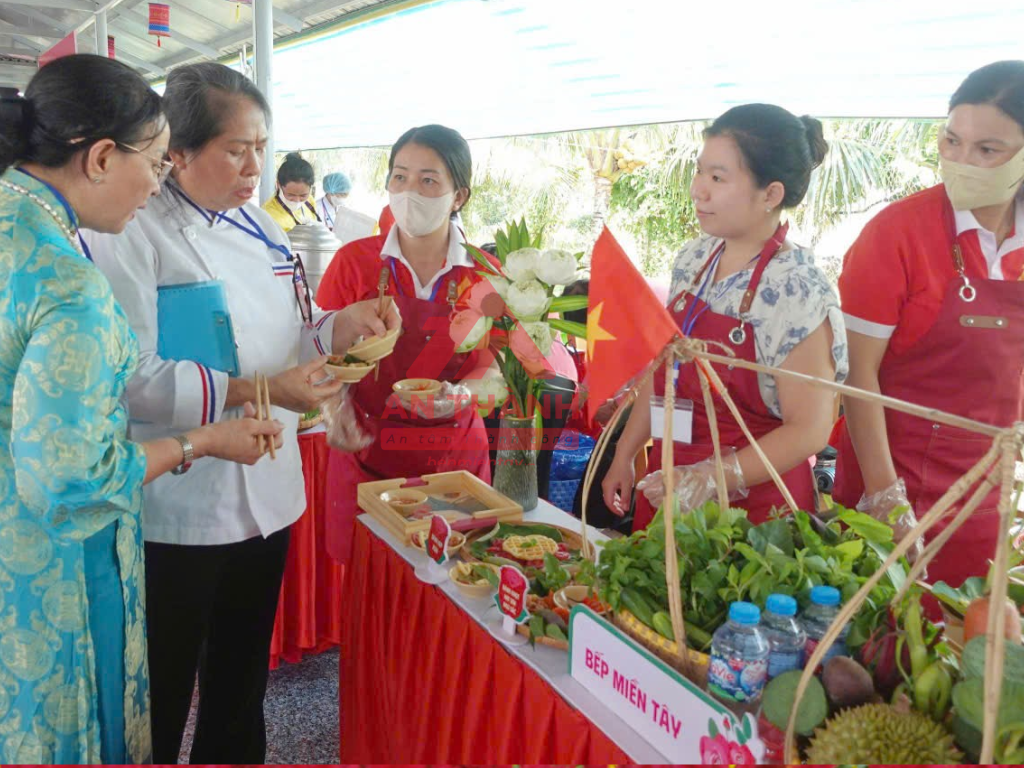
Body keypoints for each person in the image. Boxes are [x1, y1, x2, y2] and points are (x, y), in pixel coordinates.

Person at [84, 62, 399, 763]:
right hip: (178, 503)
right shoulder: (134, 232)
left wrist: (340, 326)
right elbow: (130, 376)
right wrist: (262, 391)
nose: (254, 164)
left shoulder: (262, 227)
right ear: (179, 152)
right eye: (235, 149)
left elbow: (298, 328)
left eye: (260, 146)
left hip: (269, 489)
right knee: (160, 689)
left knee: (240, 682)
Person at [0, 54, 283, 765]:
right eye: (156, 164)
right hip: (46, 563)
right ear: (100, 157)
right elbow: (74, 480)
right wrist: (203, 442)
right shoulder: (72, 280)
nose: (155, 185)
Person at [603, 104, 848, 529]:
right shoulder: (694, 259)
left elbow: (810, 429)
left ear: (770, 194)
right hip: (666, 483)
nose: (699, 190)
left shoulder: (796, 289)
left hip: (754, 515)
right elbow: (665, 368)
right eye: (700, 172)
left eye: (718, 178)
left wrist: (712, 477)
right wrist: (626, 452)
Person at [834, 61, 1024, 590]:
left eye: (988, 150)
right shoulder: (896, 233)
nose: (962, 161)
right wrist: (884, 499)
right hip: (890, 476)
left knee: (966, 643)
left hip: (986, 488)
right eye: (951, 140)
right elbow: (856, 377)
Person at [316, 124, 492, 563]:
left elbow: (493, 363)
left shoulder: (485, 273)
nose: (410, 190)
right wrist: (333, 408)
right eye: (400, 176)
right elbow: (319, 349)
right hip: (365, 449)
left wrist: (464, 392)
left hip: (455, 462)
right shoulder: (353, 262)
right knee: (368, 589)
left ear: (459, 196)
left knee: (449, 593)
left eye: (428, 180)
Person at [262, 151, 320, 231]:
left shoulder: (309, 201)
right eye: (291, 195)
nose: (297, 200)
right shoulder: (267, 216)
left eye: (303, 195)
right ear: (278, 185)